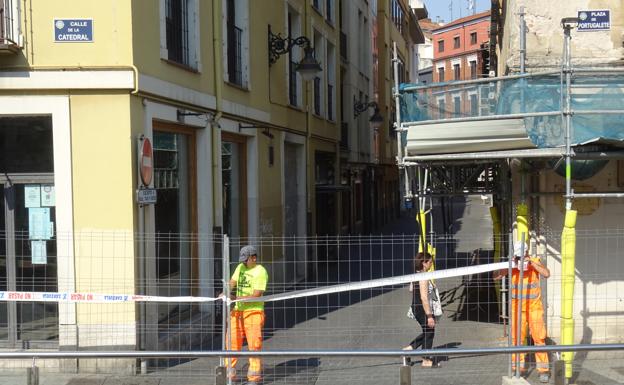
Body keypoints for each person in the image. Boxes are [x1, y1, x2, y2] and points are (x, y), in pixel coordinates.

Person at [494, 242, 551, 383]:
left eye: (522, 257)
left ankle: (543, 370)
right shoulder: (513, 264)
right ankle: (517, 367)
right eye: (518, 257)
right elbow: (496, 277)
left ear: (526, 254)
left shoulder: (534, 262)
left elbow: (546, 273)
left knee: (539, 339)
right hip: (517, 309)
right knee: (516, 339)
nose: (520, 260)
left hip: (534, 308)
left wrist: (532, 263)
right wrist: (507, 266)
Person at [225, 245, 269, 385]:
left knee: (254, 345)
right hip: (238, 311)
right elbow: (232, 282)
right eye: (243, 259)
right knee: (231, 342)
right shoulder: (240, 267)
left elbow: (256, 295)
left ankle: (254, 378)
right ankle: (229, 374)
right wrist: (225, 291)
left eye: (246, 259)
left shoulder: (260, 271)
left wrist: (234, 299)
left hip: (253, 312)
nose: (244, 262)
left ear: (254, 258)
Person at [403, 252, 439, 368]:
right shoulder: (423, 277)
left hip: (415, 307)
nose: (431, 264)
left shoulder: (416, 275)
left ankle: (409, 349)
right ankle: (426, 360)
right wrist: (429, 316)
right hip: (421, 308)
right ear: (424, 263)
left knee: (427, 331)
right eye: (430, 262)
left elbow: (410, 289)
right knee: (429, 331)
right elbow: (424, 298)